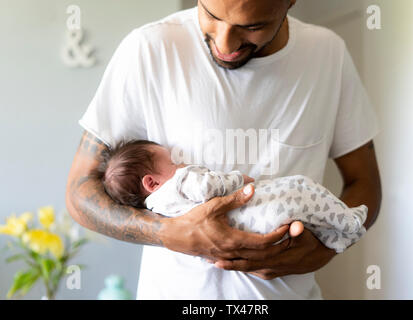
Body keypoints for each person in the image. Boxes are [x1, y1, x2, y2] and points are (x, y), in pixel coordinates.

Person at [66, 0, 382, 299]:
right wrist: (170, 233)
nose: (225, 44)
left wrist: (324, 251)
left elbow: (364, 182)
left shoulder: (327, 54)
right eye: (212, 15)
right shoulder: (149, 49)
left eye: (252, 26)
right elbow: (79, 193)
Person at [99, 139, 368, 254]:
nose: (178, 165)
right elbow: (207, 187)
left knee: (304, 213)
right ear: (151, 181)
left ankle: (334, 235)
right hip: (255, 212)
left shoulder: (157, 209)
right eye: (170, 161)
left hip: (242, 231)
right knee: (301, 189)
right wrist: (238, 179)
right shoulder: (179, 182)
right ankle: (349, 223)